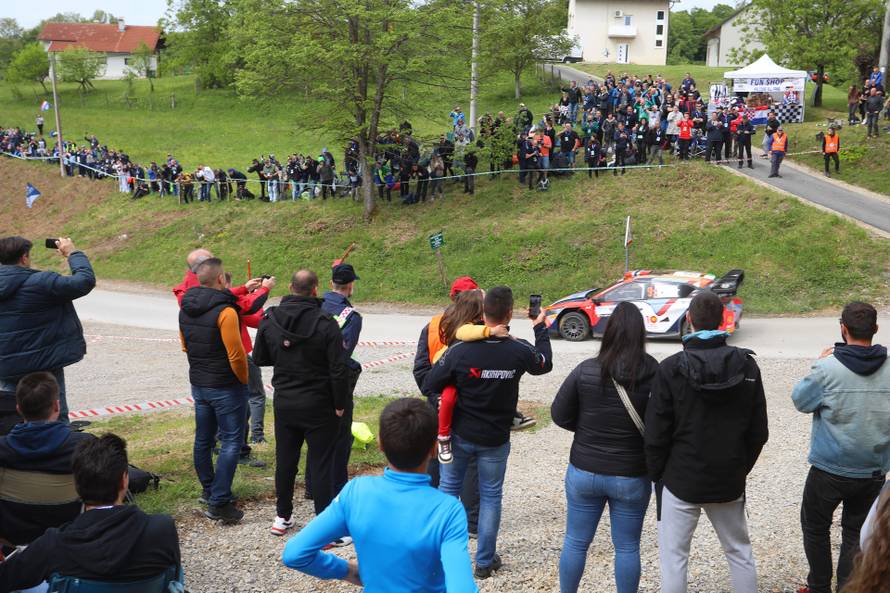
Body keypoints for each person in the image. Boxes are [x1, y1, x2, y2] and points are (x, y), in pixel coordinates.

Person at [282, 398, 478, 593]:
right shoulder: (448, 510)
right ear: (435, 449)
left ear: (380, 444)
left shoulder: (355, 492)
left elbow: (295, 553)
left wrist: (348, 571)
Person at [645, 290, 769, 593]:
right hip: (728, 477)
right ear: (724, 319)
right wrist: (739, 468)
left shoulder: (671, 368)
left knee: (674, 559)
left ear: (689, 320)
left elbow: (656, 433)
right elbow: (758, 432)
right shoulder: (747, 366)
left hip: (681, 478)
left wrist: (658, 476)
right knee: (739, 553)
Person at [426, 286, 553, 578]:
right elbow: (544, 364)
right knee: (491, 497)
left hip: (459, 435)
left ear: (483, 314)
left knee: (448, 491)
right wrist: (539, 327)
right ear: (509, 314)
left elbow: (432, 381)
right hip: (495, 438)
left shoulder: (460, 350)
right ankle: (484, 562)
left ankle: (444, 558)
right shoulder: (519, 350)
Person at [551, 302, 659, 593]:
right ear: (640, 334)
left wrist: (586, 431)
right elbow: (662, 426)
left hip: (584, 470)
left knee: (575, 541)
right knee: (626, 547)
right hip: (631, 473)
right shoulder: (654, 373)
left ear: (608, 332)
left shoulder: (586, 369)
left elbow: (559, 414)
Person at [791, 301, 890, 593]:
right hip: (872, 470)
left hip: (828, 469)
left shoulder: (826, 368)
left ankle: (818, 586)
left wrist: (817, 363)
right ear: (875, 329)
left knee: (814, 527)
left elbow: (800, 401)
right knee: (855, 533)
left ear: (843, 329)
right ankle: (849, 587)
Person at [0, 434, 181, 591]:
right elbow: (173, 578)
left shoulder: (54, 543)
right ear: (125, 480)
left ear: (76, 486)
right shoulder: (162, 528)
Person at [252, 270, 349, 539]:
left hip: (285, 401)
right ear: (315, 289)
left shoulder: (270, 319)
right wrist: (340, 403)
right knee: (320, 464)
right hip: (319, 403)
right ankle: (324, 527)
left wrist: (286, 354)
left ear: (291, 288)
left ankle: (282, 516)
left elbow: (259, 357)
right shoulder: (326, 322)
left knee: (285, 460)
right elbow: (338, 369)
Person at [173, 250, 269, 465]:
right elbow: (245, 311)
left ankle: (211, 486)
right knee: (238, 418)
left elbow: (185, 343)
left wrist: (245, 289)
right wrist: (263, 291)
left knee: (204, 438)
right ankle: (227, 475)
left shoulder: (190, 295)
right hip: (224, 366)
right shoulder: (221, 305)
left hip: (201, 368)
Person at [179, 257, 249, 524]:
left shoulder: (185, 306)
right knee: (231, 440)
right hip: (225, 385)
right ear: (221, 279)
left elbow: (185, 344)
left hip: (199, 382)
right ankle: (220, 501)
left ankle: (210, 491)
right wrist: (242, 381)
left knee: (203, 440)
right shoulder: (226, 312)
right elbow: (236, 355)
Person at [0, 236, 96, 425]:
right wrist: (72, 253)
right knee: (54, 416)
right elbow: (84, 280)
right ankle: (56, 451)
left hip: (7, 366)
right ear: (24, 257)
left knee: (9, 417)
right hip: (45, 363)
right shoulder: (42, 282)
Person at [0, 372, 94, 546]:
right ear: (57, 406)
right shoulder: (85, 446)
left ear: (18, 409)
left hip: (13, 538)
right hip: (68, 533)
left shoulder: (3, 449)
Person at [433, 290, 510, 464]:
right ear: (477, 307)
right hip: (449, 373)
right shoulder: (465, 326)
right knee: (448, 398)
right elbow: (464, 333)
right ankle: (443, 437)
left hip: (461, 370)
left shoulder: (476, 324)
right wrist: (490, 331)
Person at [321, 264, 364, 505]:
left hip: (311, 379)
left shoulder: (317, 305)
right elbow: (343, 354)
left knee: (318, 436)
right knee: (340, 437)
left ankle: (313, 485)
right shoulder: (351, 316)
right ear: (350, 286)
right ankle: (338, 487)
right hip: (336, 383)